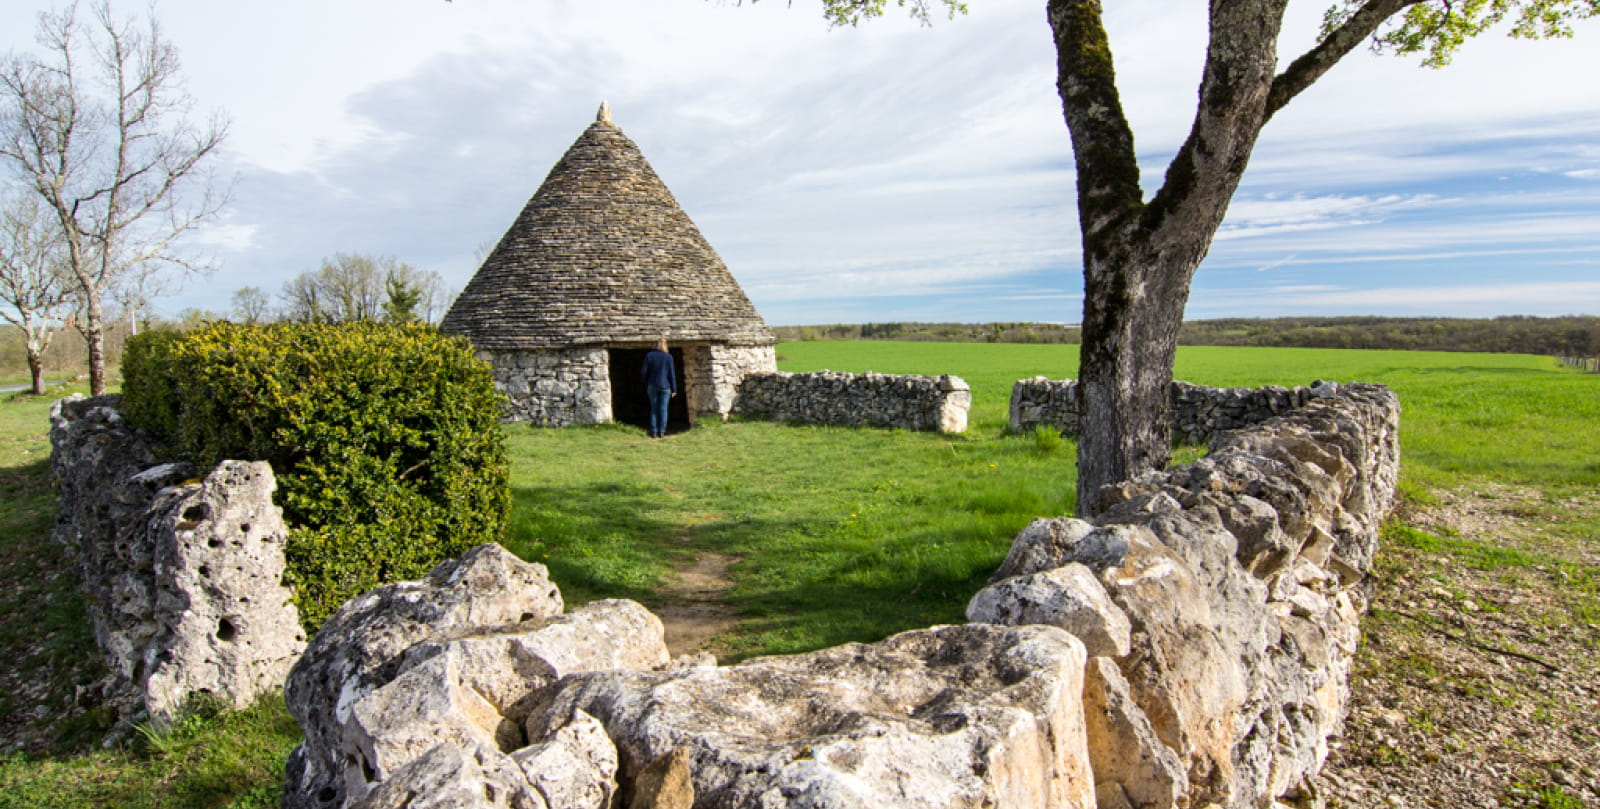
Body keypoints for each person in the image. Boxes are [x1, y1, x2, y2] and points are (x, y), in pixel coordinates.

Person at [641, 338, 677, 438]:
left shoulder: (649, 355)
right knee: (663, 409)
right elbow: (671, 374)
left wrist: (646, 381)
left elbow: (644, 371)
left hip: (652, 384)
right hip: (665, 386)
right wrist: (674, 389)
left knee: (654, 409)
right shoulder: (668, 357)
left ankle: (653, 431)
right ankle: (662, 431)